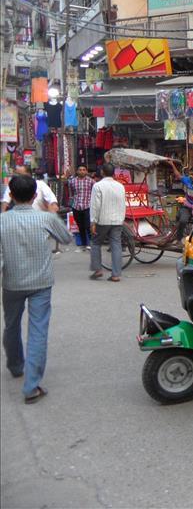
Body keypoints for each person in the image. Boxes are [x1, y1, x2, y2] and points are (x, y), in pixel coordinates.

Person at [0, 175, 72, 404]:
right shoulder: (45, 218)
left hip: (12, 282)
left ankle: (15, 365)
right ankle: (31, 386)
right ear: (34, 196)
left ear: (10, 196)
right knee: (38, 330)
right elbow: (67, 237)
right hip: (41, 282)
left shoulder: (2, 220)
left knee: (11, 324)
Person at [89, 163, 126, 282]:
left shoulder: (98, 186)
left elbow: (95, 206)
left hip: (103, 220)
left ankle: (98, 270)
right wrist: (122, 219)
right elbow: (123, 203)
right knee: (116, 245)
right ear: (113, 173)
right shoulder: (120, 186)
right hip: (117, 220)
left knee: (95, 243)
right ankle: (116, 274)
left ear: (102, 173)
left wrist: (93, 222)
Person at [63, 165, 94, 251]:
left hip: (87, 206)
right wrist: (71, 204)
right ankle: (84, 243)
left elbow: (94, 193)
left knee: (88, 225)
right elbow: (71, 194)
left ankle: (90, 243)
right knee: (80, 226)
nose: (82, 171)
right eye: (80, 170)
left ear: (86, 172)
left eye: (84, 170)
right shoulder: (72, 182)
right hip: (76, 206)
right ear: (77, 171)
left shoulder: (91, 182)